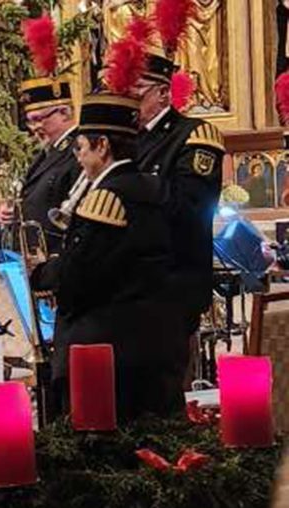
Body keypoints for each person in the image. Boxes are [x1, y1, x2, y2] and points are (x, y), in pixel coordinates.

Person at [30, 93, 182, 419]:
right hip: (154, 340)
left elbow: (79, 277)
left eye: (81, 148)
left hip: (103, 350)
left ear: (102, 146)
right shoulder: (155, 186)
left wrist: (41, 273)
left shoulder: (105, 199)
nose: (79, 158)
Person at [129, 45, 225, 385]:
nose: (129, 101)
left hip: (173, 283)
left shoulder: (195, 135)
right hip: (132, 286)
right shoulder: (129, 140)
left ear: (163, 92)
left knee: (169, 387)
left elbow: (191, 208)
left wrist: (131, 183)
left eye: (136, 92)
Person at [0, 77, 81, 255]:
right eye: (30, 121)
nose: (34, 128)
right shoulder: (45, 154)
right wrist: (12, 213)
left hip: (56, 254)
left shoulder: (77, 151)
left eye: (38, 119)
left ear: (64, 113)